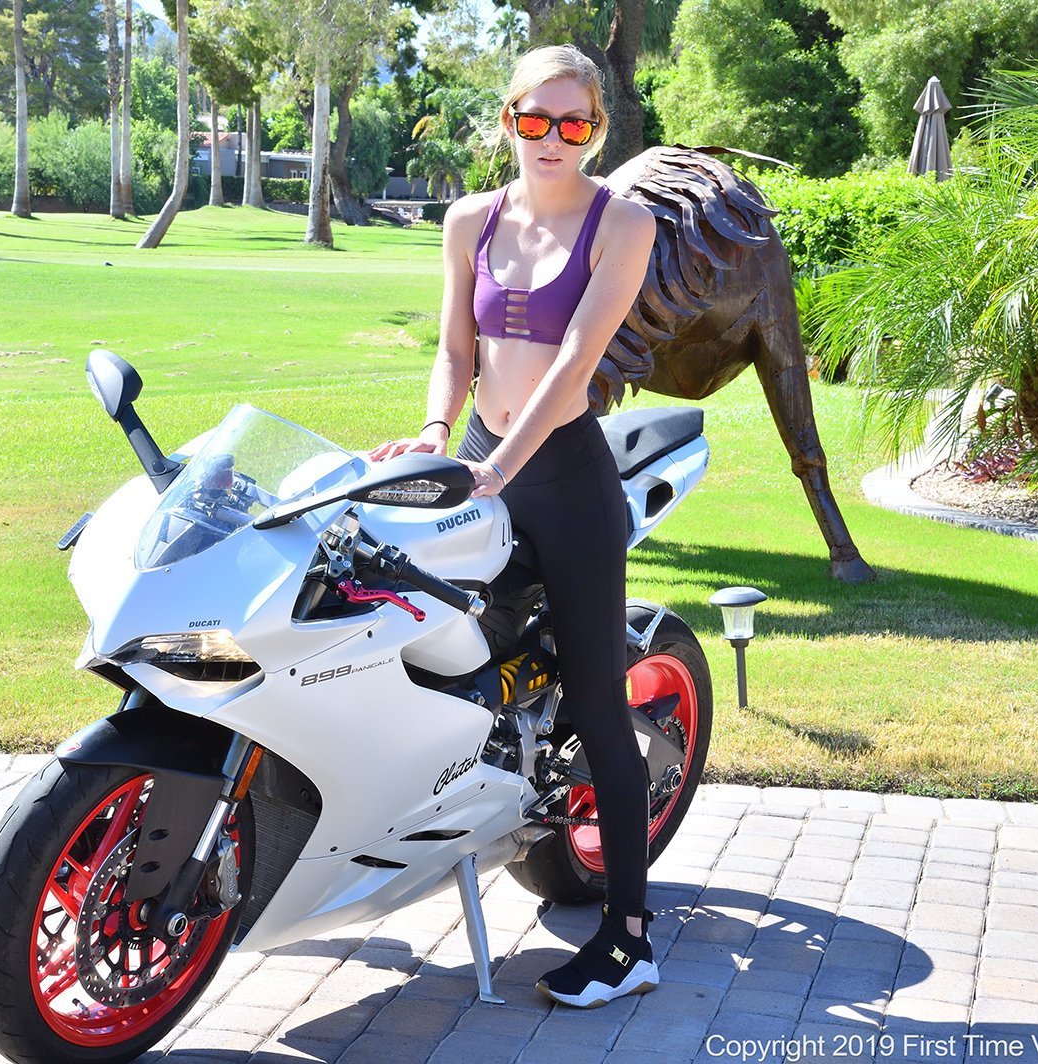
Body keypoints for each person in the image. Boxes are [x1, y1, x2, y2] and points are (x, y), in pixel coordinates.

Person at [370, 46, 659, 1008]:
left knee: (600, 705)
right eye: (535, 119)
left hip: (563, 480)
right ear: (509, 120)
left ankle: (630, 937)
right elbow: (457, 349)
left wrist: (498, 468)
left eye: (574, 123)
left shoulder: (623, 223)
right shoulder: (470, 220)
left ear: (597, 132)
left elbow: (576, 362)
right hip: (478, 460)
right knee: (429, 645)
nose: (552, 139)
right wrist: (433, 434)